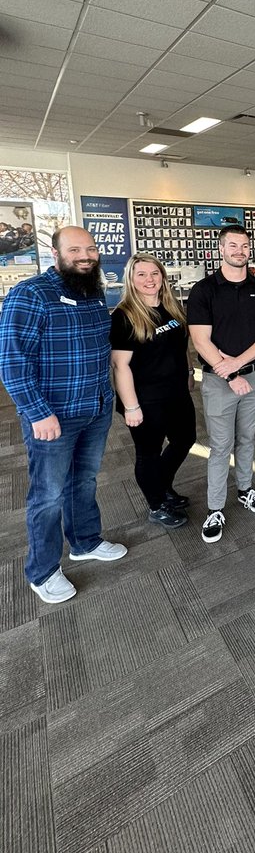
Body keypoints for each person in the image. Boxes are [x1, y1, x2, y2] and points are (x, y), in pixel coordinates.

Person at [0, 226, 127, 603]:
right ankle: (42, 571)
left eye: (90, 248)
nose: (85, 255)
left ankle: (85, 541)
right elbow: (12, 363)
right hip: (53, 415)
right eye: (75, 249)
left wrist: (108, 400)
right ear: (55, 253)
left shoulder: (92, 291)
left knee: (84, 481)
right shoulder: (30, 294)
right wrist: (38, 414)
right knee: (48, 495)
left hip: (95, 409)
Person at [187, 226, 255, 544]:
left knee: (247, 439)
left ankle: (245, 490)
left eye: (245, 245)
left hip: (253, 377)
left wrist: (240, 367)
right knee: (220, 446)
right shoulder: (204, 290)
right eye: (233, 245)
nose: (240, 250)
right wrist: (230, 375)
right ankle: (215, 508)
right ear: (221, 248)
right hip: (218, 380)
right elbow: (201, 340)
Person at [110, 254, 197, 529]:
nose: (149, 280)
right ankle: (157, 504)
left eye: (154, 274)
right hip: (145, 398)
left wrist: (190, 372)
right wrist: (131, 406)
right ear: (131, 280)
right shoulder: (124, 316)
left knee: (185, 440)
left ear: (162, 277)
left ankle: (161, 485)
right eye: (142, 275)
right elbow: (120, 365)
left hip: (176, 392)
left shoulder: (172, 308)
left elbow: (181, 347)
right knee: (148, 453)